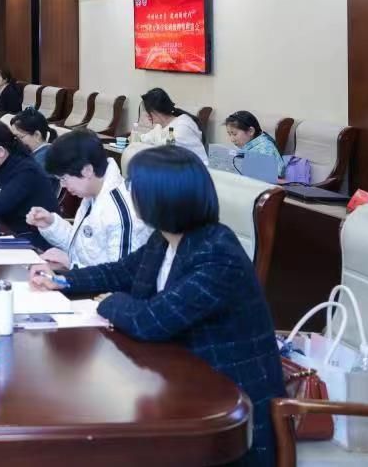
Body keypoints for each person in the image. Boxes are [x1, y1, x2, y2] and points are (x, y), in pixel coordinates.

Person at [31, 147, 284, 466]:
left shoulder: (217, 254)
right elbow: (120, 271)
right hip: (175, 380)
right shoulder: (165, 238)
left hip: (226, 414)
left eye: (134, 187)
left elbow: (150, 320)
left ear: (160, 198)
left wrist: (108, 301)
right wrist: (62, 280)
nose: (129, 193)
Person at [26, 130, 151, 269]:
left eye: (64, 178)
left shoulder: (121, 213)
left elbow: (120, 275)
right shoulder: (93, 194)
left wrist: (71, 265)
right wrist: (51, 224)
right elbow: (84, 247)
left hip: (92, 282)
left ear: (87, 170)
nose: (63, 185)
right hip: (81, 278)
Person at [138, 88, 206, 164]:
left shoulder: (183, 126)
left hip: (195, 169)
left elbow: (167, 148)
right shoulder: (161, 127)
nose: (147, 116)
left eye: (148, 112)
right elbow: (146, 138)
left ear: (154, 112)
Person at [224, 111, 285, 177]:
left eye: (234, 134)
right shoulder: (246, 145)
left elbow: (270, 175)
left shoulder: (265, 148)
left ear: (251, 131)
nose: (232, 140)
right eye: (229, 134)